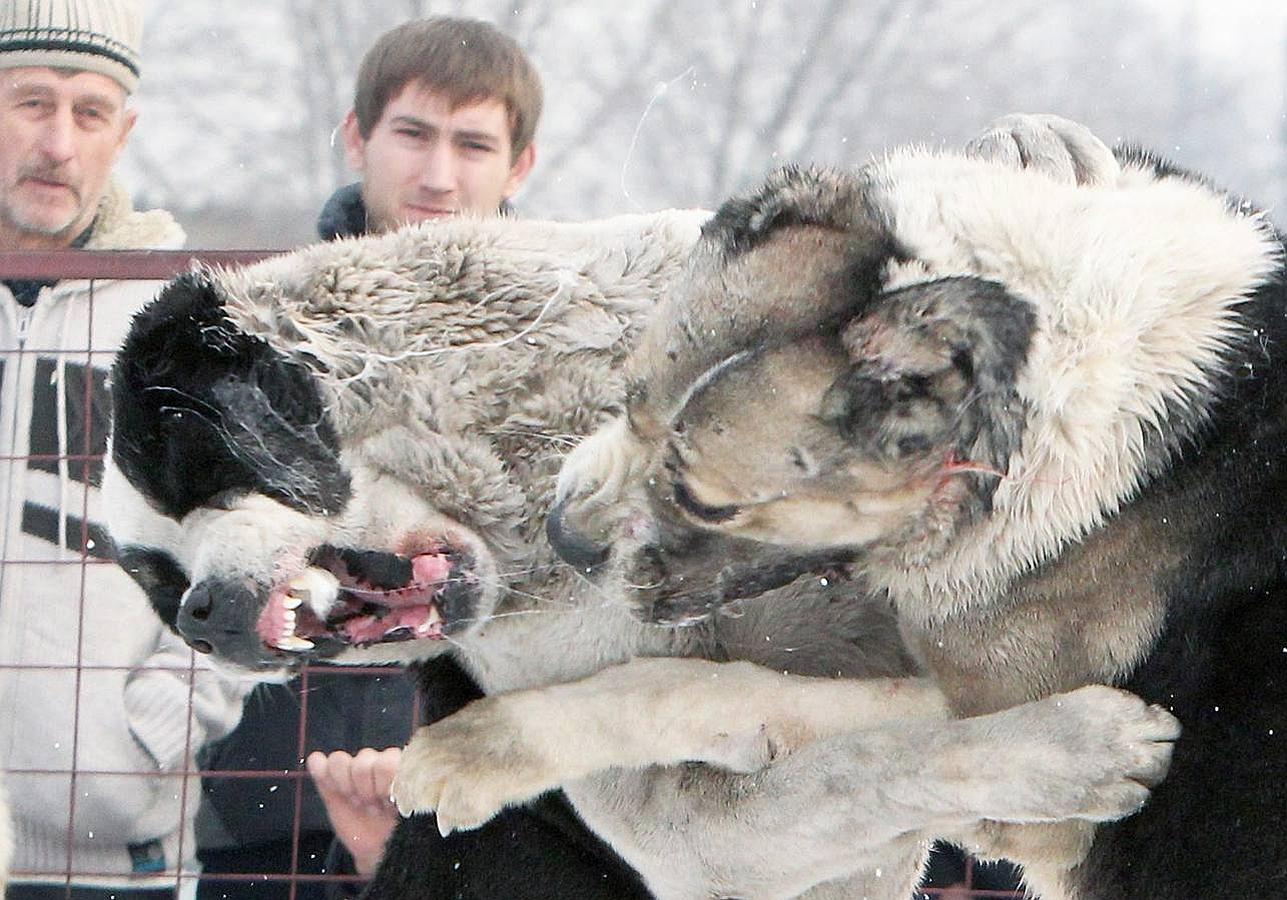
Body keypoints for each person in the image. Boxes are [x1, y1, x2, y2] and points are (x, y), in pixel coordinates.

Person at [197, 18, 646, 900]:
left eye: (472, 143)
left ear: (519, 166)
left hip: (510, 802)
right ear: (357, 136)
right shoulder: (257, 333)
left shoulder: (576, 350)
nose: (438, 174)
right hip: (276, 794)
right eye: (413, 133)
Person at [0, 2, 248, 899]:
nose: (59, 143)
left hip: (115, 858)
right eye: (33, 102)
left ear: (124, 133)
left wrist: (151, 730)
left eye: (90, 112)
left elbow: (247, 560)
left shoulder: (181, 328)